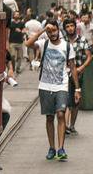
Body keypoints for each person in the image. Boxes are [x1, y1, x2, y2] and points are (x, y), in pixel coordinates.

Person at [26, 18, 75, 161]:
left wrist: (77, 88)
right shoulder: (43, 44)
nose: (52, 33)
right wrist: (42, 31)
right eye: (50, 31)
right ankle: (52, 148)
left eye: (54, 30)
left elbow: (72, 66)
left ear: (59, 30)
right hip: (45, 86)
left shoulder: (67, 46)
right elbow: (28, 44)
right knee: (49, 117)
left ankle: (61, 149)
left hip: (61, 86)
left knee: (60, 114)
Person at [64, 18, 90, 135]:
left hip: (78, 74)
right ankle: (65, 126)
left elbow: (89, 56)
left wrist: (81, 67)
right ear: (65, 29)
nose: (70, 28)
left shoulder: (82, 40)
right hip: (64, 74)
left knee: (75, 101)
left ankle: (72, 125)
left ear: (75, 27)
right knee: (66, 101)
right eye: (67, 26)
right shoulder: (62, 41)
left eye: (71, 26)